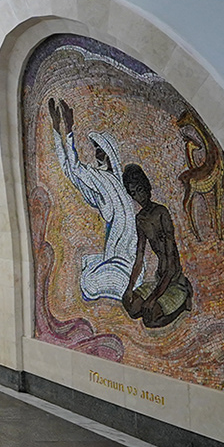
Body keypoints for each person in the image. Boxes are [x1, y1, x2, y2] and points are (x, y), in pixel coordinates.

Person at [49, 97, 138, 301]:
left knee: (88, 280)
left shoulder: (107, 180)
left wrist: (68, 130)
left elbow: (76, 168)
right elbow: (69, 170)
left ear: (108, 155)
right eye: (96, 150)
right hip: (115, 257)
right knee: (88, 265)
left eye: (100, 151)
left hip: (123, 261)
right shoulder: (103, 184)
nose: (97, 154)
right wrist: (56, 130)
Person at [121, 163, 193, 328]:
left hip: (174, 280)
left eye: (140, 190)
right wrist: (129, 288)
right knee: (131, 307)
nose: (139, 197)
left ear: (147, 186)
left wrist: (153, 298)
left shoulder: (161, 213)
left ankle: (183, 303)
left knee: (150, 319)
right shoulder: (140, 219)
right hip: (160, 279)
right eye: (134, 193)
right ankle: (158, 300)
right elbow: (139, 257)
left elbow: (171, 264)